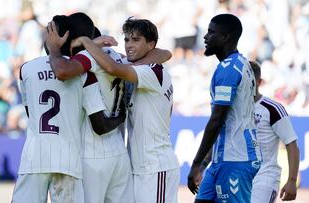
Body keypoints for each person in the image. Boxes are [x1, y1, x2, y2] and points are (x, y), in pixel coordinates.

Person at [46, 16, 174, 202]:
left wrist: (58, 48)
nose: (129, 45)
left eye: (136, 40)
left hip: (149, 163)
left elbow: (64, 70)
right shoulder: (124, 62)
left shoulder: (146, 70)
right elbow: (164, 53)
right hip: (126, 159)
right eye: (127, 40)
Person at [12, 13, 125, 203]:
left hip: (34, 157)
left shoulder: (26, 69)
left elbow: (32, 115)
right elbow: (99, 124)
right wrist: (122, 115)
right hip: (68, 161)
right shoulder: (84, 75)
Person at [186, 14, 262, 203]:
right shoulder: (242, 63)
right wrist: (205, 163)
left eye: (211, 32)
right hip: (224, 157)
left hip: (236, 159)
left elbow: (217, 120)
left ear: (226, 37)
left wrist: (196, 163)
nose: (205, 37)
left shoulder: (228, 69)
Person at [250, 60, 299, 203]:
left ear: (259, 82)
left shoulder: (272, 108)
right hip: (240, 176)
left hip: (265, 177)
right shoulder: (234, 108)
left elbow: (291, 144)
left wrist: (292, 180)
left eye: (249, 80)